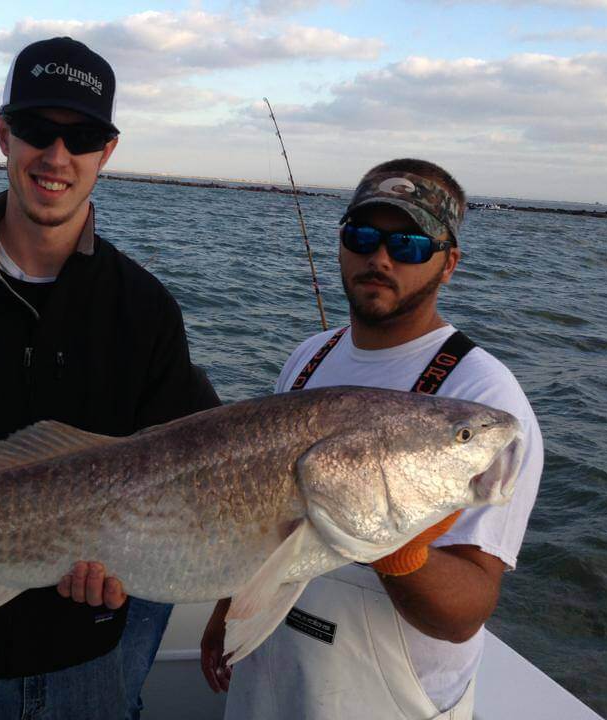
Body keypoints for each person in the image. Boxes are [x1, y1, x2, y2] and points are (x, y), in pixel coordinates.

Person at [0, 36, 220, 720]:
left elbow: (193, 474)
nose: (56, 157)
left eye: (81, 136)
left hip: (90, 666)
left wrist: (131, 569)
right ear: (3, 133)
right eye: (36, 130)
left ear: (106, 153)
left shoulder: (146, 311)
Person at [200, 159, 543, 719]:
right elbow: (267, 521)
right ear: (340, 245)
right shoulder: (309, 359)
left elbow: (464, 614)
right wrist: (228, 609)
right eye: (362, 236)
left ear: (448, 263)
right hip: (272, 675)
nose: (379, 258)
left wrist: (400, 550)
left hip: (383, 698)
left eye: (408, 244)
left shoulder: (483, 399)